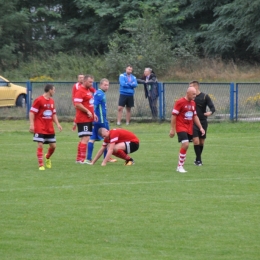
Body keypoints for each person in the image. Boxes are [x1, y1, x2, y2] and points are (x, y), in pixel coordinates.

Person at [169, 86, 205, 173]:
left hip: (189, 128)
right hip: (181, 127)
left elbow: (195, 116)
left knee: (185, 146)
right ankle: (180, 166)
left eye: (195, 94)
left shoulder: (193, 103)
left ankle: (180, 166)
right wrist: (172, 129)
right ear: (187, 93)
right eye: (193, 94)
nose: (194, 96)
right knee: (186, 144)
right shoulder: (180, 102)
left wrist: (200, 127)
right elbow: (174, 116)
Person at [29, 84, 62, 170]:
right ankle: (41, 165)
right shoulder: (39, 100)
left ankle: (47, 157)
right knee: (40, 145)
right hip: (40, 127)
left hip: (49, 128)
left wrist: (58, 124)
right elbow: (32, 112)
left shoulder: (52, 101)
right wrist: (32, 125)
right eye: (53, 90)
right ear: (50, 90)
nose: (54, 91)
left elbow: (53, 114)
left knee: (53, 146)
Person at [85, 78, 117, 164]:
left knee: (92, 138)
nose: (107, 87)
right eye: (105, 85)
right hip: (101, 120)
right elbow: (94, 105)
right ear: (101, 85)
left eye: (108, 85)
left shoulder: (99, 93)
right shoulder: (99, 94)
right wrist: (94, 114)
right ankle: (106, 158)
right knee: (108, 138)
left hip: (97, 120)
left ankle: (88, 158)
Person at [189, 80, 216, 166]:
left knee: (201, 142)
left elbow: (212, 108)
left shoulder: (205, 96)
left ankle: (197, 158)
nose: (189, 88)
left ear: (196, 87)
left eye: (191, 86)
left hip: (203, 122)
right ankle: (199, 160)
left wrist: (210, 112)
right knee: (196, 141)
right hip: (193, 122)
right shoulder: (189, 98)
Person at [74, 74, 98, 163]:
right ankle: (81, 160)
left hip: (88, 118)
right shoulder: (80, 91)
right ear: (84, 81)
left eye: (92, 82)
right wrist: (87, 111)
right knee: (86, 138)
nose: (91, 84)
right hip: (83, 118)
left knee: (84, 138)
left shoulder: (88, 91)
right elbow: (77, 104)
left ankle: (79, 159)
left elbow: (89, 104)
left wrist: (93, 113)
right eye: (90, 82)